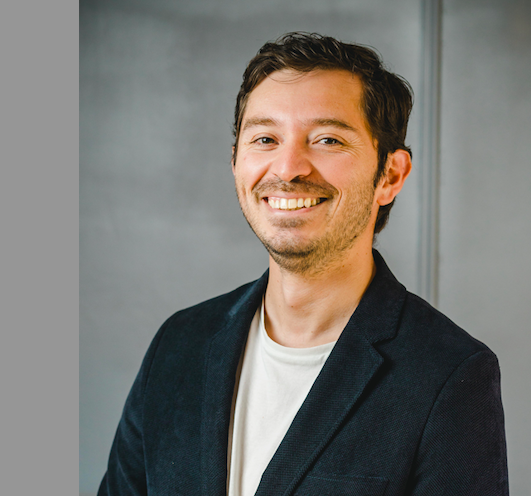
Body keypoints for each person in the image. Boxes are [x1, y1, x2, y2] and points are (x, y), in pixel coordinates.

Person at [98, 32, 508, 496]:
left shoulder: (449, 374)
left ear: (390, 176)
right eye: (265, 138)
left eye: (328, 139)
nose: (288, 167)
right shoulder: (178, 346)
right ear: (236, 162)